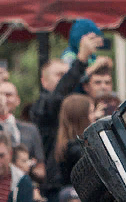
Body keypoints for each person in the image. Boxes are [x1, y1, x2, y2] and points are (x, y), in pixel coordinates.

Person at [32, 32, 105, 161]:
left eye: (67, 75)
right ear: (44, 80)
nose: (65, 80)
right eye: (60, 75)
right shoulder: (42, 105)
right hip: (54, 178)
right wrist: (81, 59)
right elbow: (57, 98)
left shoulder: (75, 103)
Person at [0, 81, 45, 181]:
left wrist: (27, 167)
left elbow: (41, 170)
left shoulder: (30, 129)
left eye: (8, 95)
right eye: (0, 95)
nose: (4, 99)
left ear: (17, 100)